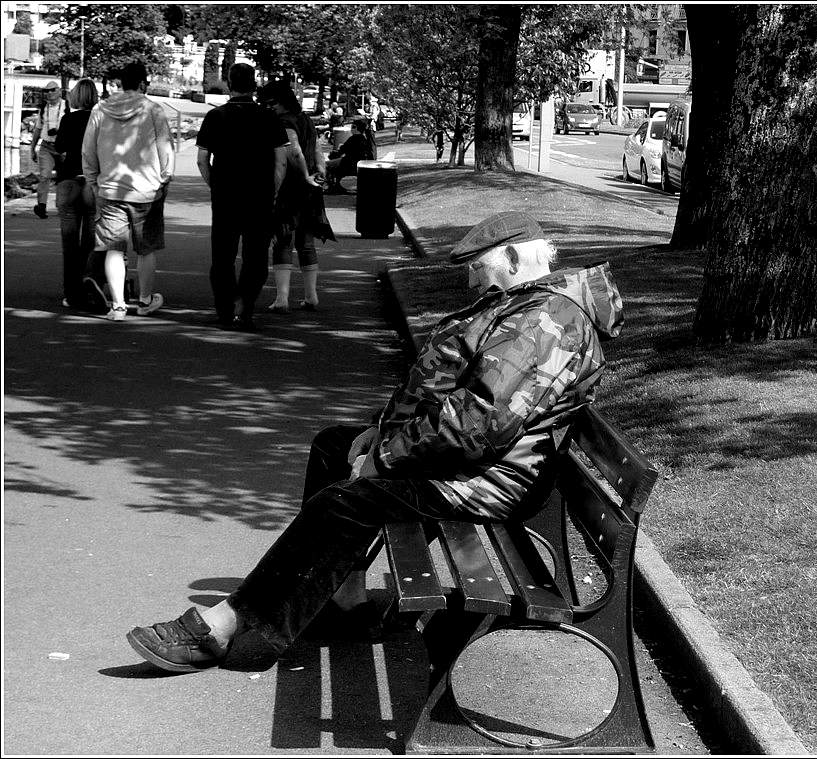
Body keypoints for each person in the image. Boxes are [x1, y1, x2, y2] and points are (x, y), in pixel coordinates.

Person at [126, 211, 624, 673]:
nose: (471, 282)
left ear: (514, 259)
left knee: (343, 504)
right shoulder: (531, 307)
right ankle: (344, 601)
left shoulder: (542, 322)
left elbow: (475, 427)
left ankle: (222, 626)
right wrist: (379, 428)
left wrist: (385, 456)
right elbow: (448, 390)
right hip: (474, 464)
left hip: (489, 481)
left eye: (477, 269)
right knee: (333, 447)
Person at [196, 63, 288, 331]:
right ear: (254, 84)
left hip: (225, 194)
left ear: (228, 83)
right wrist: (272, 189)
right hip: (259, 195)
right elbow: (280, 161)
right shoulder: (269, 118)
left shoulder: (216, 116)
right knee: (256, 255)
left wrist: (215, 184)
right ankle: (244, 307)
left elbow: (203, 160)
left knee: (223, 255)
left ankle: (224, 308)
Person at [82, 61, 173, 322]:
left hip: (110, 189)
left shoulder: (101, 109)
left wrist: (94, 181)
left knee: (113, 248)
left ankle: (118, 306)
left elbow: (87, 150)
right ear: (143, 83)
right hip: (147, 189)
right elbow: (165, 148)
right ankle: (144, 301)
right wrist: (165, 179)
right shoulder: (154, 110)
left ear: (121, 83)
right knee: (146, 248)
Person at [257, 80, 331, 313]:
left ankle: (282, 298)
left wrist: (305, 176)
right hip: (311, 192)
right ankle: (311, 296)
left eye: (271, 103)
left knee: (283, 242)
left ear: (282, 102)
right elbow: (318, 150)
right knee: (306, 244)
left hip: (290, 188)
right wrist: (320, 174)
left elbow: (293, 151)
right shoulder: (306, 119)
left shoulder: (285, 122)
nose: (269, 108)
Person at [53, 77, 107, 314]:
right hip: (92, 182)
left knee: (69, 243)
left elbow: (59, 146)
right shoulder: (101, 120)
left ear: (76, 96)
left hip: (68, 182)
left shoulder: (68, 118)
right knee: (92, 240)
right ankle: (90, 284)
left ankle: (70, 294)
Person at [30, 80, 69, 219]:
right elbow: (38, 129)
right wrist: (33, 147)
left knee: (63, 179)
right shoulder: (43, 108)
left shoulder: (68, 106)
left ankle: (62, 206)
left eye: (52, 90)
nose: (50, 93)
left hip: (64, 147)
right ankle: (42, 205)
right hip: (46, 145)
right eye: (47, 91)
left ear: (59, 91)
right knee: (44, 176)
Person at [325, 119, 372, 193]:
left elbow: (341, 151)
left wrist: (333, 153)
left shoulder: (353, 139)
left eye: (352, 127)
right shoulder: (364, 139)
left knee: (326, 164)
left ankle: (330, 184)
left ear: (356, 128)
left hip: (348, 162)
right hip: (358, 163)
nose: (351, 129)